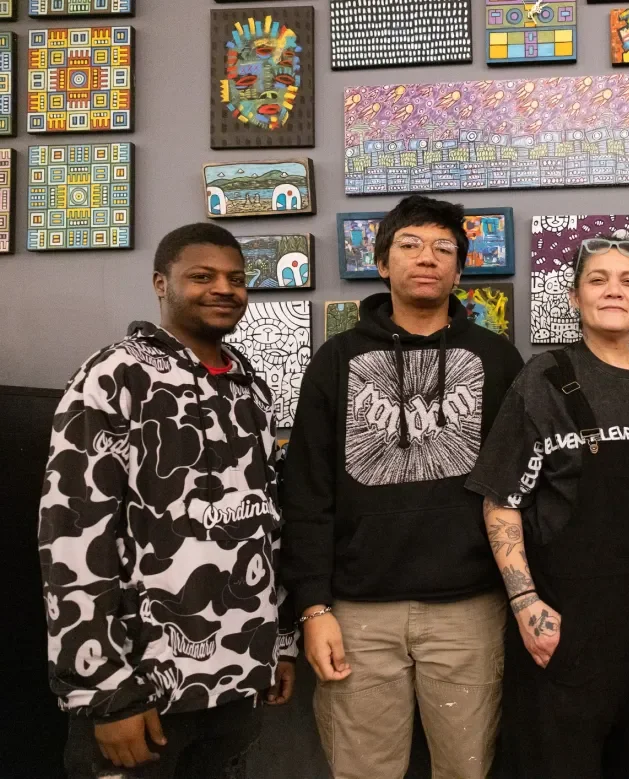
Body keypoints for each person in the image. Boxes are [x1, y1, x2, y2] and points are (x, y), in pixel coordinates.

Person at [40, 223, 298, 779]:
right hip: (140, 687)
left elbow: (269, 527)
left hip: (238, 679)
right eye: (202, 276)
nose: (223, 289)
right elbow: (72, 534)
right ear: (161, 283)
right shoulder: (115, 375)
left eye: (236, 278)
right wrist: (102, 690)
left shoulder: (251, 390)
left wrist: (279, 642)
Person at [279, 195, 524, 779]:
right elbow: (306, 491)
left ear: (460, 270)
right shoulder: (335, 359)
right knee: (363, 770)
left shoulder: (498, 359)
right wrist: (312, 607)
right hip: (356, 612)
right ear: (382, 263)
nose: (427, 258)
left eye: (444, 248)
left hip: (468, 609)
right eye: (410, 245)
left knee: (467, 769)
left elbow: (518, 489)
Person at [465, 233, 629, 779]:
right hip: (568, 632)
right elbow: (501, 502)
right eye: (598, 280)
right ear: (575, 297)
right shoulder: (544, 380)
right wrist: (526, 604)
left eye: (628, 282)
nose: (614, 291)